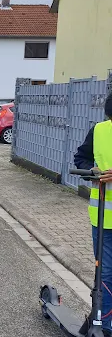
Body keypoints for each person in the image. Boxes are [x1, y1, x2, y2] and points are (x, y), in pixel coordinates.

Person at [74, 92, 112, 334]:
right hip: (104, 218)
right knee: (106, 272)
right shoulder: (99, 131)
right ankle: (104, 323)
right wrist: (92, 171)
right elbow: (81, 159)